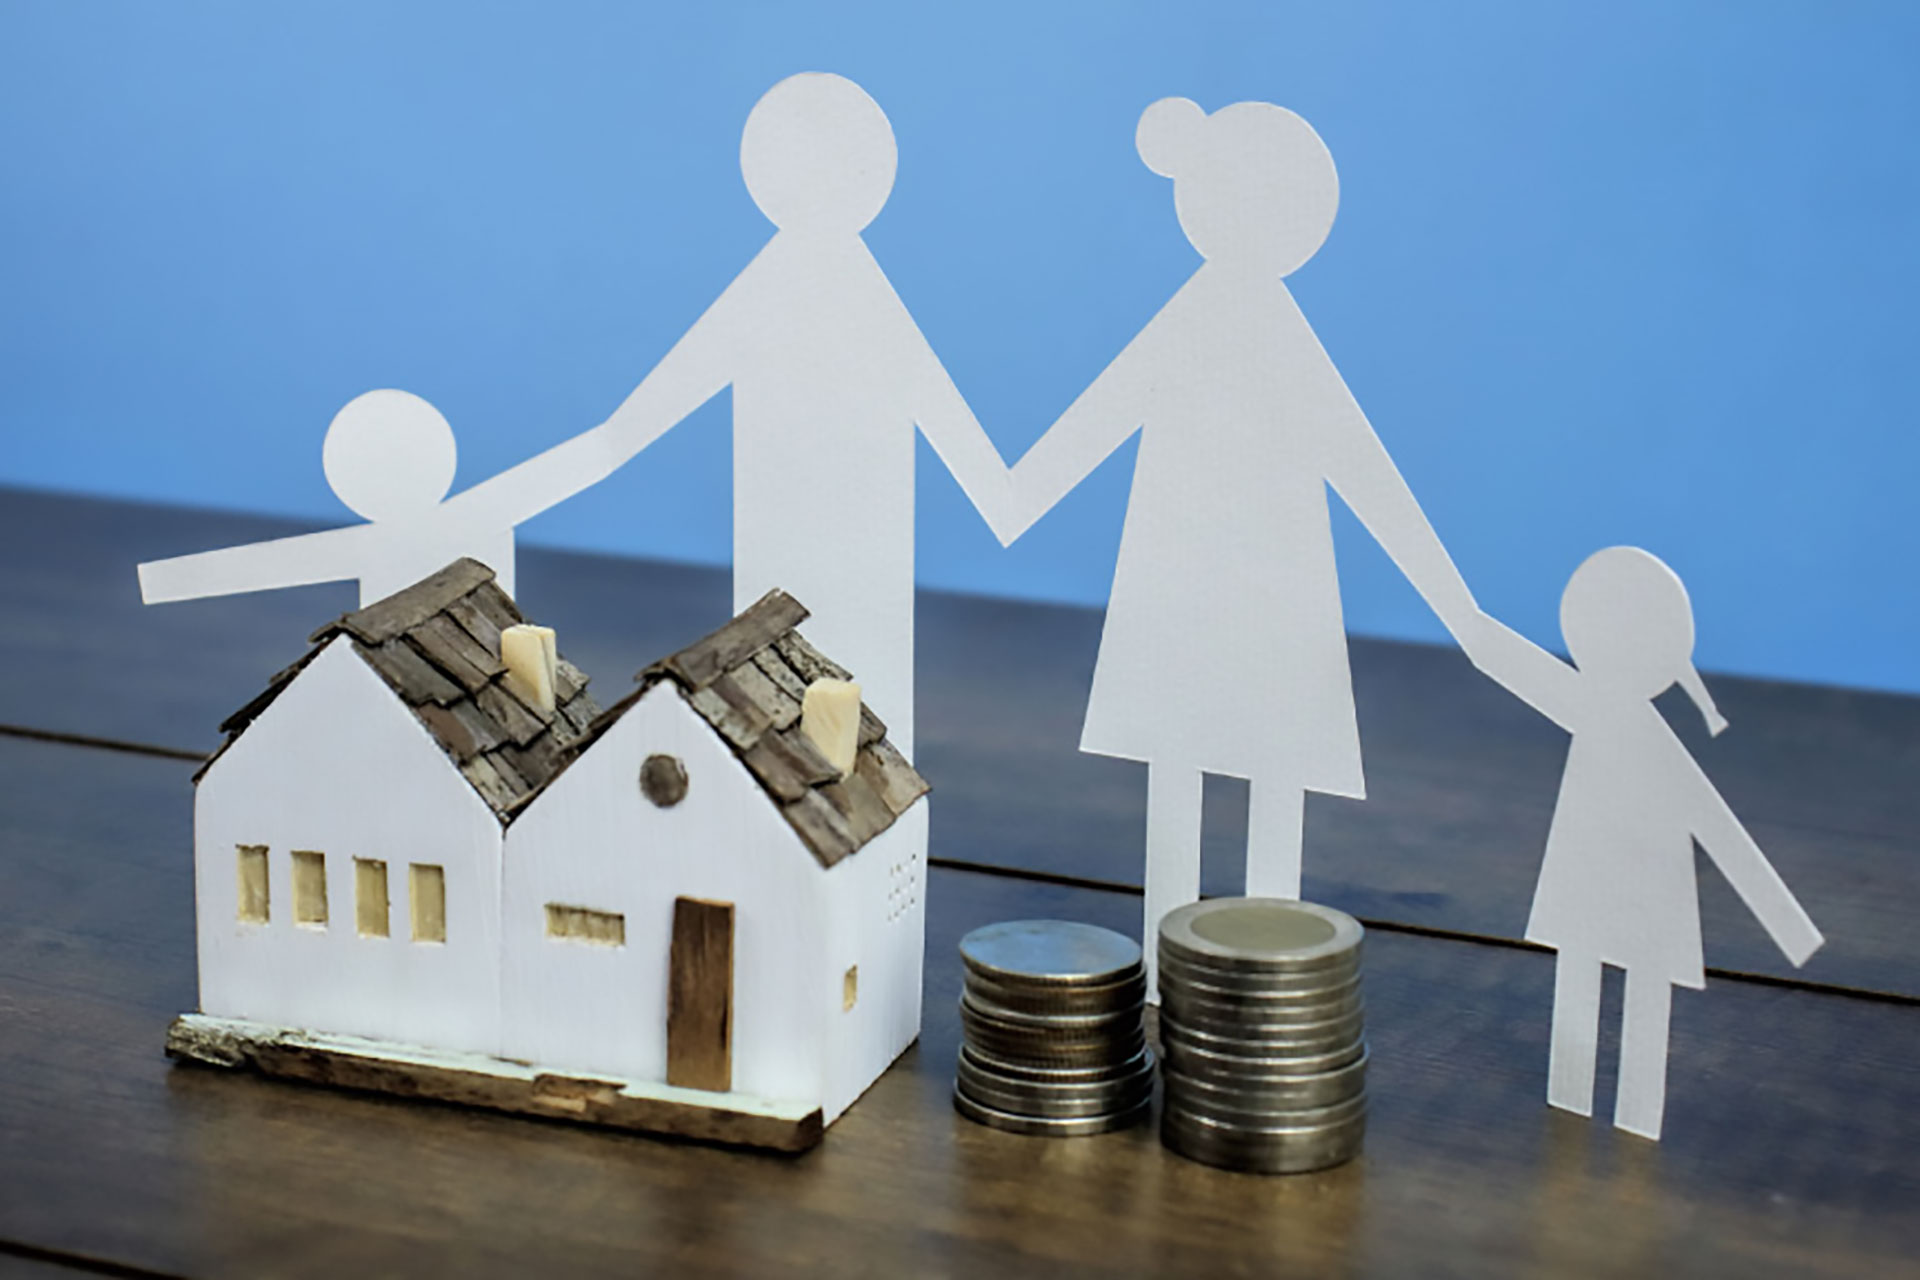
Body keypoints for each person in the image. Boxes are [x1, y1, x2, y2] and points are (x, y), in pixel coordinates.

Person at [976, 99, 1479, 982]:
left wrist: (1013, 495)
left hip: (1260, 596)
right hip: (1198, 591)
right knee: (1206, 767)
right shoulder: (1215, 324)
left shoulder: (1250, 330)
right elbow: (1109, 414)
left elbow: (1363, 470)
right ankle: (1199, 984)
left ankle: (1255, 981)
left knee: (1249, 766)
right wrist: (1014, 493)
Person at [587, 72, 1009, 756]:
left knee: (855, 736)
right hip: (785, 564)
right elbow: (627, 432)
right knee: (790, 725)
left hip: (857, 567)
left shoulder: (831, 298)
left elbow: (622, 436)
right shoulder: (790, 296)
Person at [1462, 547, 1823, 1139]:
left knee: (1632, 986)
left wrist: (1792, 928)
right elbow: (1493, 652)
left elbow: (1719, 829)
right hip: (1604, 882)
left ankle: (1625, 1108)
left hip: (1645, 890)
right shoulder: (1611, 715)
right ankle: (1583, 1094)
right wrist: (1460, 614)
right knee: (1594, 974)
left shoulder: (1628, 728)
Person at [139, 388, 629, 607]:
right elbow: (609, 444)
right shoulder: (478, 514)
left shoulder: (475, 516)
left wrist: (165, 581)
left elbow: (607, 445)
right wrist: (164, 581)